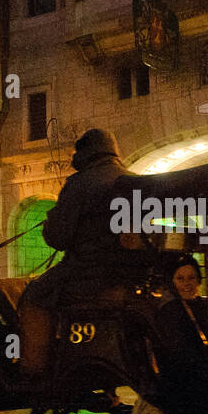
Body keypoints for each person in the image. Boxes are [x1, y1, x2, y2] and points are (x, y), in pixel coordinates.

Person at [17, 129, 154, 375]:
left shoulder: (81, 183)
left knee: (34, 297)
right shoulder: (133, 180)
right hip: (130, 276)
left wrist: (51, 222)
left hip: (87, 274)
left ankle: (33, 368)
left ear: (84, 153)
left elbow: (57, 238)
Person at [154, 256, 208, 362]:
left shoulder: (202, 305)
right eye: (180, 279)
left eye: (191, 278)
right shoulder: (171, 310)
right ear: (172, 282)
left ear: (198, 280)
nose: (187, 283)